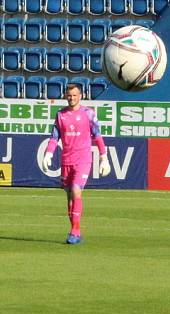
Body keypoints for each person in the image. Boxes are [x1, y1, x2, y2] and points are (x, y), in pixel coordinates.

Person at [42, 82, 111, 245]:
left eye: (74, 95)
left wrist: (104, 157)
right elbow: (54, 137)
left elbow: (97, 135)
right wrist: (48, 153)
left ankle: (74, 231)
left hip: (83, 159)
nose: (71, 98)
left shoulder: (88, 113)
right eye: (69, 95)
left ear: (80, 96)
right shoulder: (61, 115)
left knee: (76, 189)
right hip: (66, 159)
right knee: (69, 198)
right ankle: (75, 230)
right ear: (66, 96)